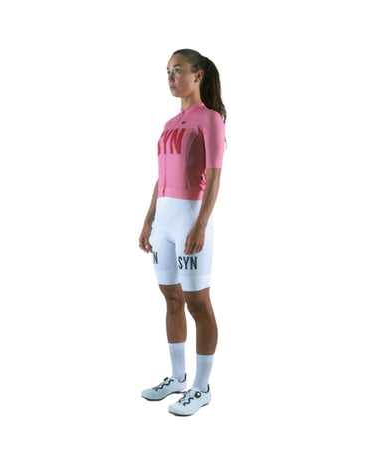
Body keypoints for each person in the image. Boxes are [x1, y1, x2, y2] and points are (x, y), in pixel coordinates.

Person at [138, 48, 226, 416]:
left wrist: (201, 223)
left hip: (190, 217)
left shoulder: (210, 119)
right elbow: (163, 175)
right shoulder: (170, 123)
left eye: (178, 70)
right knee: (171, 299)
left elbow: (215, 175)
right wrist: (148, 219)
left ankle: (201, 388)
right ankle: (177, 378)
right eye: (168, 72)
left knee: (197, 303)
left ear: (198, 75)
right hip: (164, 222)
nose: (171, 78)